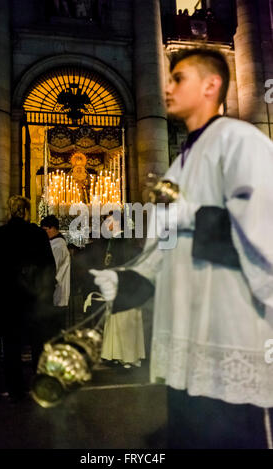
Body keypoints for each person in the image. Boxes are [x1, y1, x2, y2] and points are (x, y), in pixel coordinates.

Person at [91, 48, 273, 448]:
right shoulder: (180, 163)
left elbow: (264, 229)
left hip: (228, 334)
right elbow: (164, 249)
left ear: (211, 86)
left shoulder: (242, 142)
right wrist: (127, 282)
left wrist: (193, 218)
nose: (167, 87)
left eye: (178, 78)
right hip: (185, 340)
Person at [0, 196, 56, 401]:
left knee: (12, 347)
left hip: (9, 300)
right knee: (38, 344)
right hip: (33, 299)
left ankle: (15, 390)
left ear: (10, 211)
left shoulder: (1, 234)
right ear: (26, 212)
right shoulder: (37, 233)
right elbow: (49, 267)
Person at [99, 212, 145, 368]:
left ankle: (128, 356)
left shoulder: (124, 240)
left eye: (108, 221)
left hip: (125, 287)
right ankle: (117, 354)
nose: (106, 224)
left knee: (125, 322)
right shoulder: (115, 240)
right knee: (117, 321)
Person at [40, 214, 71, 332]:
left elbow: (52, 267)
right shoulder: (55, 243)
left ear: (53, 228)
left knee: (55, 326)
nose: (44, 233)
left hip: (57, 288)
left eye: (45, 230)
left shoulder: (58, 245)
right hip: (55, 288)